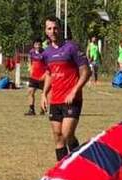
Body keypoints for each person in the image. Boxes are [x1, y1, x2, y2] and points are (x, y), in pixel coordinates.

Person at [40, 16, 91, 161]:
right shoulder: (47, 53)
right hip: (55, 100)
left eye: (55, 28)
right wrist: (44, 94)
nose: (52, 31)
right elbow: (50, 74)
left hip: (72, 99)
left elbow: (86, 72)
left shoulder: (72, 48)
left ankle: (79, 162)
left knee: (67, 134)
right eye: (49, 28)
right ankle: (62, 170)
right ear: (46, 31)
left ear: (60, 29)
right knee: (58, 136)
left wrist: (75, 90)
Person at [26, 39, 46, 116]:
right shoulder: (31, 52)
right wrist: (30, 68)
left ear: (41, 45)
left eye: (39, 44)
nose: (37, 46)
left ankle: (43, 109)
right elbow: (29, 61)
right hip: (33, 77)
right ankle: (31, 110)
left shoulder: (45, 53)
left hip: (42, 77)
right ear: (34, 45)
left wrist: (45, 75)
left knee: (43, 93)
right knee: (30, 92)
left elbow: (48, 65)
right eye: (36, 44)